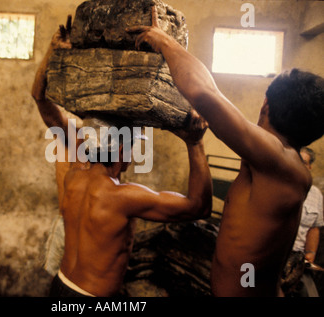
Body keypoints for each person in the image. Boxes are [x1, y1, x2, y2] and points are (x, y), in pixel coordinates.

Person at [127, 7, 324, 296]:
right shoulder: (276, 163)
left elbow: (205, 94)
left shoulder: (281, 161)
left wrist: (163, 40)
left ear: (265, 106)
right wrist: (195, 142)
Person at [32, 18, 213, 297]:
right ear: (119, 150)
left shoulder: (75, 175)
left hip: (60, 286)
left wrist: (53, 51)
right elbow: (198, 208)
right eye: (134, 145)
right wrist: (195, 143)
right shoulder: (124, 197)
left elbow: (40, 99)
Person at [281, 147, 323, 297]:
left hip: (297, 259)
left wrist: (310, 253)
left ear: (309, 166)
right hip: (271, 256)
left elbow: (314, 227)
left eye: (303, 163)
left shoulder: (316, 195)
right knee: (248, 284)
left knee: (310, 294)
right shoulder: (277, 186)